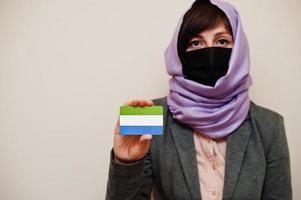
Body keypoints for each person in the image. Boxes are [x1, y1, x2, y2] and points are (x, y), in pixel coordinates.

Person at [105, 0, 292, 199]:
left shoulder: (269, 126)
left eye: (222, 41)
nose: (210, 53)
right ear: (180, 53)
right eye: (196, 43)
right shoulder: (149, 116)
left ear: (238, 51)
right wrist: (125, 164)